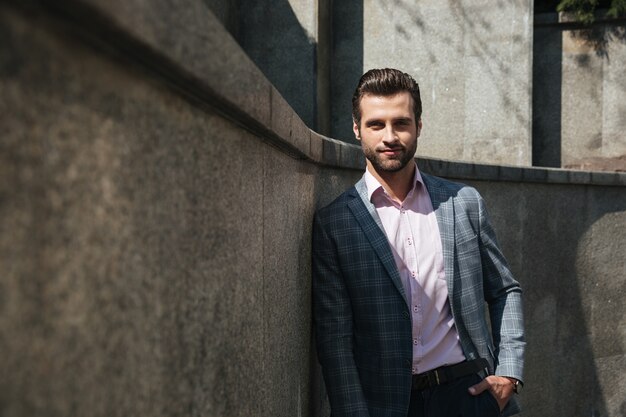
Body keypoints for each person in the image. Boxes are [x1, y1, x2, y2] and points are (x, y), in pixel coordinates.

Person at [312, 68, 525, 417]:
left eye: (401, 123)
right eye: (376, 124)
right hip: (387, 404)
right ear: (356, 129)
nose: (390, 136)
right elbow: (335, 340)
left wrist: (509, 372)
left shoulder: (462, 202)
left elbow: (504, 290)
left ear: (419, 126)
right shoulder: (335, 223)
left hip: (468, 394)